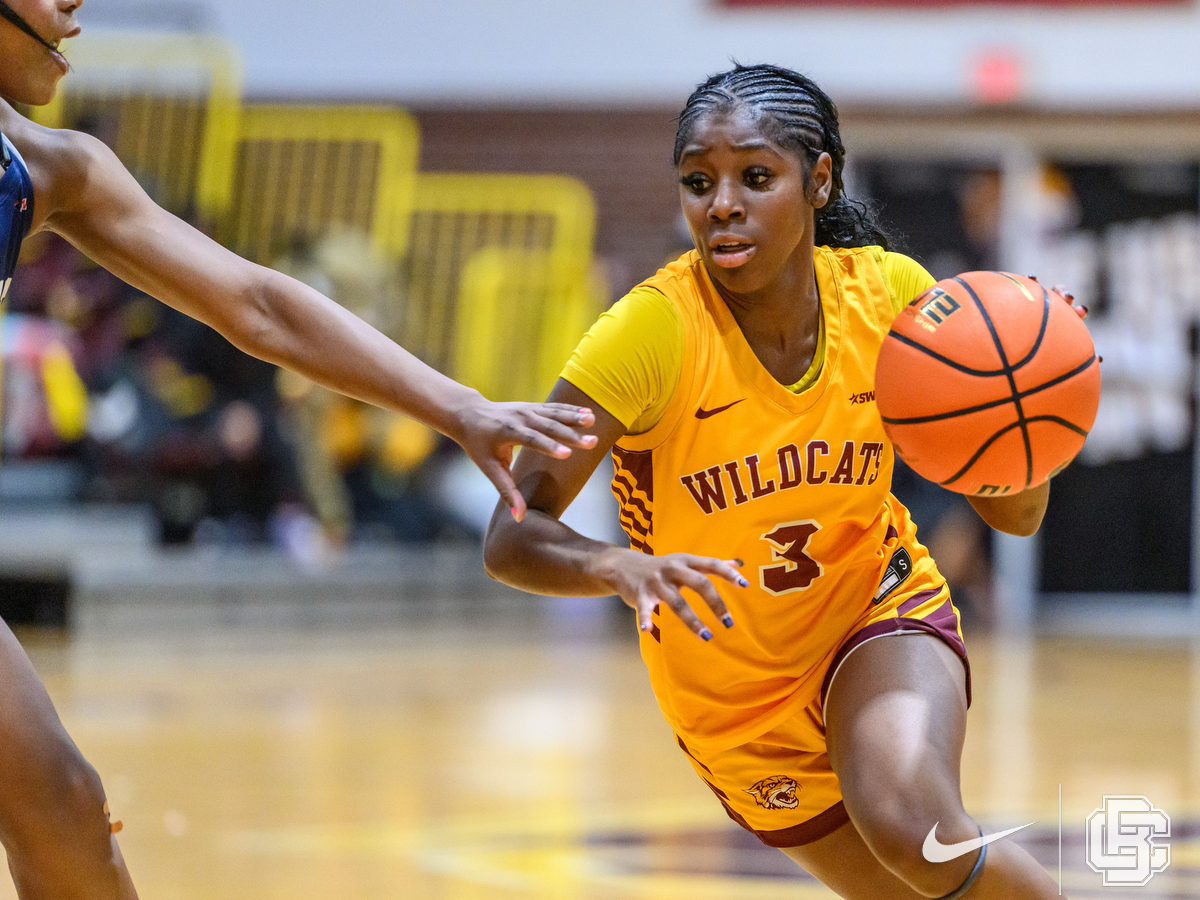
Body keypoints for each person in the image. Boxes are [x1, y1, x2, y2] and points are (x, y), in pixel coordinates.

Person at [0, 1, 596, 897]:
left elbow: (257, 303)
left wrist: (457, 405)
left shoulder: (50, 168)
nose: (75, 3)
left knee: (63, 805)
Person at [485, 64, 1075, 899]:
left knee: (917, 832)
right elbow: (511, 535)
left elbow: (1013, 516)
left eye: (755, 177)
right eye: (699, 181)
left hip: (873, 614)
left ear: (819, 180)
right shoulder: (649, 332)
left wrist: (1025, 421)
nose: (722, 202)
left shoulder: (894, 300)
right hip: (731, 702)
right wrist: (618, 568)